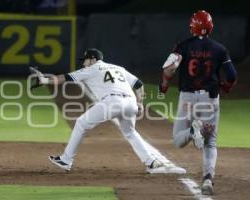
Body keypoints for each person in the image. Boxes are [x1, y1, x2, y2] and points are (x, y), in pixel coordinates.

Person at [31, 48, 167, 173]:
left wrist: (44, 80)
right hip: (130, 102)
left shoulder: (92, 69)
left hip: (112, 102)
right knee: (130, 132)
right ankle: (151, 162)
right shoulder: (118, 67)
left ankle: (66, 160)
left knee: (81, 123)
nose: (84, 64)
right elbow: (139, 84)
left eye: (85, 60)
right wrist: (139, 103)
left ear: (93, 59)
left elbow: (63, 78)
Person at [159, 10, 237, 195]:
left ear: (192, 26)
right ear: (210, 27)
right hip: (210, 98)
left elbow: (169, 70)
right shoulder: (220, 49)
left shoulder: (183, 46)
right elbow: (232, 76)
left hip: (188, 98)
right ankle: (208, 179)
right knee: (210, 143)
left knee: (178, 141)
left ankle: (194, 130)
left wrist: (164, 86)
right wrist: (226, 86)